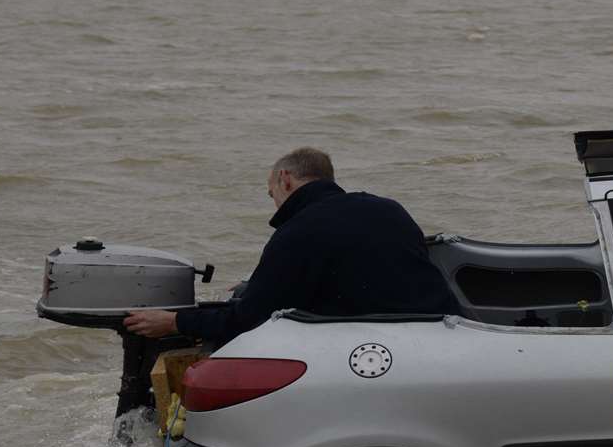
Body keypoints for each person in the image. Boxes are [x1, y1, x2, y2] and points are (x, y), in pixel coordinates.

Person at [123, 147, 457, 346]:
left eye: (272, 195)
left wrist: (175, 323)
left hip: (373, 345)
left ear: (285, 178)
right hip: (440, 332)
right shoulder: (389, 209)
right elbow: (355, 270)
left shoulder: (297, 231)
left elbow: (249, 321)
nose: (274, 206)